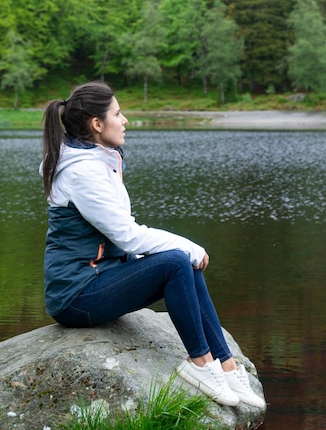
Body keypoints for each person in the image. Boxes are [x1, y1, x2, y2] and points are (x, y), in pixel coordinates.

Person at [40, 81, 265, 409]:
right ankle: (199, 365)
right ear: (97, 124)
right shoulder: (82, 173)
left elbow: (121, 238)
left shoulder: (101, 160)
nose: (125, 119)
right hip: (76, 295)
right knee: (176, 260)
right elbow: (127, 235)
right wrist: (189, 246)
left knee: (180, 263)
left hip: (102, 277)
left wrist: (181, 252)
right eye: (118, 113)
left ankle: (226, 365)